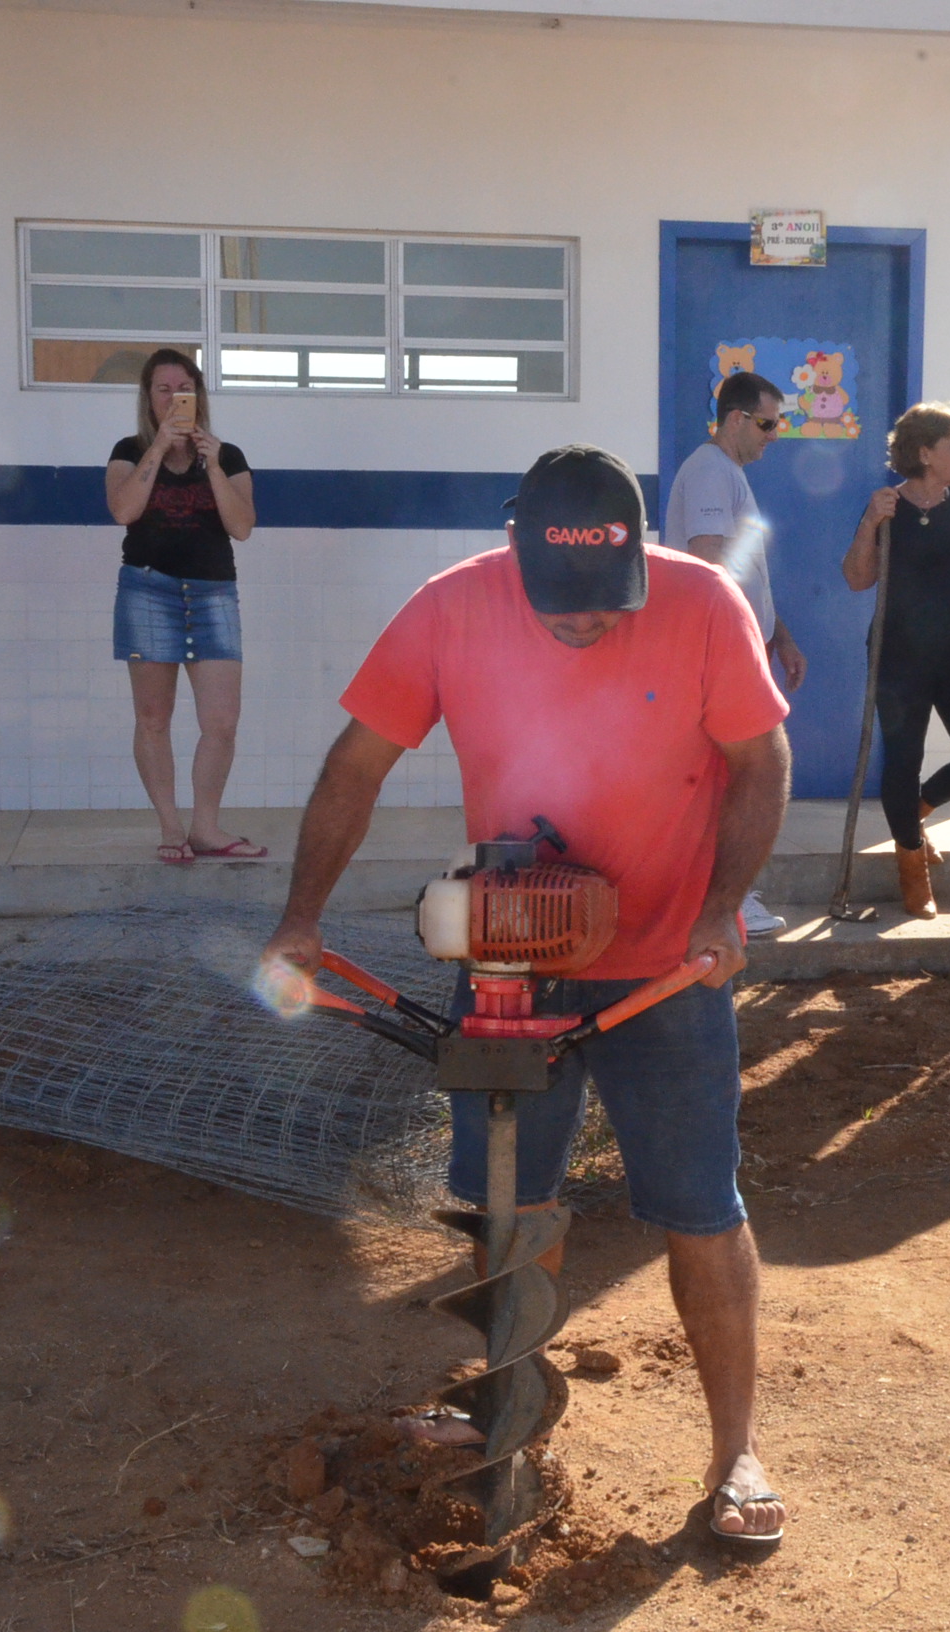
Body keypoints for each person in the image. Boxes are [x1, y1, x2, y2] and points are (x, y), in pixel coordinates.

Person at [258, 446, 793, 1552]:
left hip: (666, 973)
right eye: (564, 603)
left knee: (700, 1210)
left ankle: (736, 1451)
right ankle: (510, 1402)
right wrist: (300, 919)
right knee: (509, 1208)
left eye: (607, 600)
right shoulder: (448, 609)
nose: (588, 622)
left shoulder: (703, 604)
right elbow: (355, 765)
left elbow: (761, 761)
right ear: (517, 549)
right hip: (508, 964)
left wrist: (719, 910)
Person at [843, 402, 950, 917]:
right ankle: (911, 867)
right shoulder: (888, 506)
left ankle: (915, 812)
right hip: (899, 657)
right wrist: (870, 521)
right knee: (904, 760)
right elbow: (856, 578)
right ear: (924, 453)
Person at [662, 368, 807, 938]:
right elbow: (708, 566)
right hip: (715, 654)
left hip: (731, 648)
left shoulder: (725, 474)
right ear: (737, 419)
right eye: (768, 424)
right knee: (741, 778)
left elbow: (744, 575)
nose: (775, 436)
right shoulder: (708, 472)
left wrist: (779, 635)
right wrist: (736, 650)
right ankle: (726, 901)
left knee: (735, 776)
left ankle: (725, 896)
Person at [105, 348, 262, 865]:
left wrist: (210, 464)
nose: (175, 398)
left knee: (222, 721)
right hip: (147, 591)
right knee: (153, 717)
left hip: (213, 593)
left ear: (199, 396)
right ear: (148, 398)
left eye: (184, 389)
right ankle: (171, 827)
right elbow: (123, 510)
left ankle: (206, 827)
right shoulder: (129, 451)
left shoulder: (227, 455)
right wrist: (159, 448)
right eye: (164, 389)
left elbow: (241, 527)